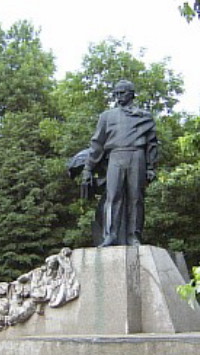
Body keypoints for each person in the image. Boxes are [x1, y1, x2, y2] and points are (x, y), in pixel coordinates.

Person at [81, 80, 158, 247]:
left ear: (131, 94)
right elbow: (97, 144)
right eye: (115, 93)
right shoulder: (106, 116)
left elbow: (152, 144)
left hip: (137, 156)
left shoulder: (144, 116)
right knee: (112, 196)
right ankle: (110, 235)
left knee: (136, 198)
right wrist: (88, 168)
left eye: (122, 93)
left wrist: (151, 166)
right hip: (115, 156)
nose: (118, 96)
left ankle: (134, 236)